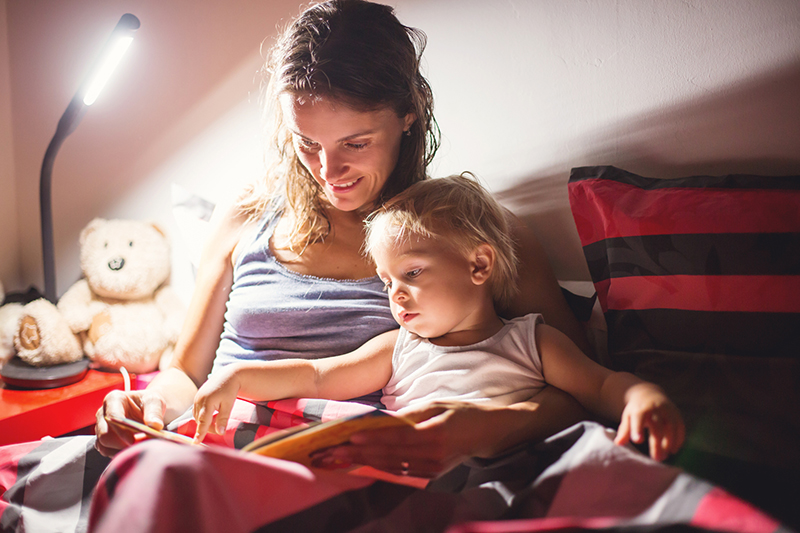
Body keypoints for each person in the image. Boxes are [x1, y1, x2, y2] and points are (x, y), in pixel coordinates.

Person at [92, 0, 592, 468]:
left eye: (356, 142)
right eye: (307, 142)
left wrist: (482, 428)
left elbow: (578, 391)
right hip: (211, 448)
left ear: (408, 114)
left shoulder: (472, 239)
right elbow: (186, 372)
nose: (329, 170)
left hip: (344, 470)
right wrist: (150, 403)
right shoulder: (246, 214)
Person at [191, 175, 685, 465]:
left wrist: (644, 396)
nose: (395, 293)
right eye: (386, 281)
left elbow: (598, 387)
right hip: (419, 478)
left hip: (516, 467)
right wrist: (236, 378)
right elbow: (319, 376)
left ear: (479, 265)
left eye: (411, 272)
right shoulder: (397, 346)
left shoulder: (533, 340)